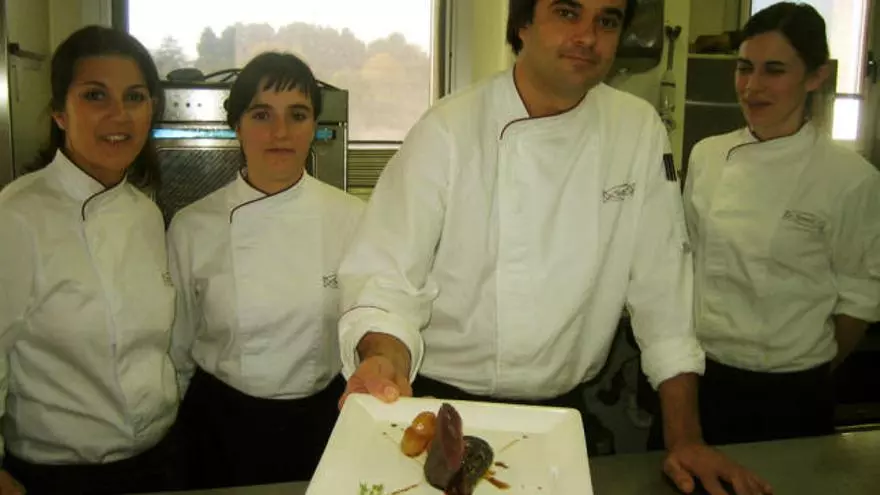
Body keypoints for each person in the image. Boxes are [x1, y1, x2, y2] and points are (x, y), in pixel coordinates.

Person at [336, 1, 772, 494]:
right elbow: (388, 278)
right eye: (568, 13)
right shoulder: (449, 129)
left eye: (607, 20)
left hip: (563, 416)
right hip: (446, 409)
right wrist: (384, 358)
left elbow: (663, 293)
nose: (588, 35)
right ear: (522, 23)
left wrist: (686, 438)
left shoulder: (636, 129)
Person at [683, 2, 880, 446]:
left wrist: (804, 365)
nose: (752, 86)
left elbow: (860, 296)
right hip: (701, 373)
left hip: (792, 391)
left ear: (815, 76)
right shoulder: (707, 155)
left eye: (774, 70)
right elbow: (688, 257)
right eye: (744, 68)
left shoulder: (850, 179)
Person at [168, 51, 364, 489]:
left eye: (297, 115)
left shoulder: (353, 219)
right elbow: (177, 348)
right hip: (221, 426)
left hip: (322, 421)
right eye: (261, 115)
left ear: (314, 125)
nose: (280, 132)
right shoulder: (193, 226)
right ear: (236, 125)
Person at [0, 26, 182, 494]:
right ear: (60, 112)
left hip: (157, 459)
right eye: (95, 95)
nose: (119, 114)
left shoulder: (145, 213)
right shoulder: (16, 217)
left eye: (135, 97)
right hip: (56, 474)